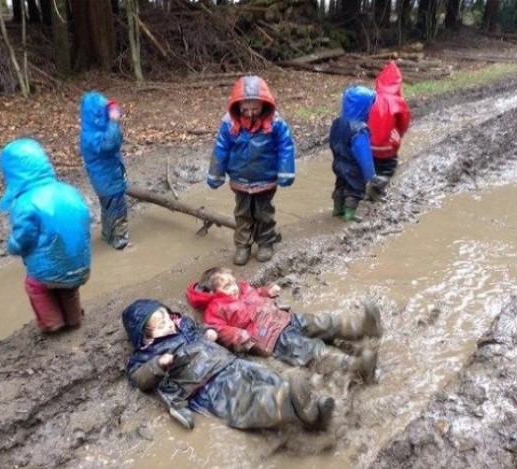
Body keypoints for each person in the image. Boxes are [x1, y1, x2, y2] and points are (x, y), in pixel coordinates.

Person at [122, 299, 335, 432]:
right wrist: (158, 364)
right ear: (145, 338)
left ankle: (309, 410)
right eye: (161, 325)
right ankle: (289, 405)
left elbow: (200, 328)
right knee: (246, 401)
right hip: (206, 384)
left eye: (167, 317)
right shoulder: (147, 354)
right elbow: (139, 377)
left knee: (267, 377)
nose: (169, 323)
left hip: (230, 362)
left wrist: (207, 332)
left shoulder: (183, 325)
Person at [186, 267, 382, 382]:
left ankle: (361, 327)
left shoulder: (244, 289)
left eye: (233, 282)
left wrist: (267, 291)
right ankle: (354, 367)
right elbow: (219, 328)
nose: (234, 287)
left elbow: (256, 293)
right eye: (227, 286)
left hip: (284, 318)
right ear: (213, 292)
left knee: (321, 322)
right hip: (271, 337)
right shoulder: (216, 307)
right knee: (309, 350)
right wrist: (236, 336)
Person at [0, 138, 91, 333]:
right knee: (68, 289)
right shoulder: (69, 191)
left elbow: (24, 237)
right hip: (80, 265)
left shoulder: (25, 202)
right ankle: (73, 319)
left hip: (48, 270)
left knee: (36, 287)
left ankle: (52, 323)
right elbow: (86, 219)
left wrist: (13, 246)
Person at [207, 75, 296, 266]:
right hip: (240, 178)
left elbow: (285, 146)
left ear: (265, 104)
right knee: (242, 214)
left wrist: (286, 172)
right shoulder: (229, 124)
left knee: (264, 213)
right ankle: (243, 245)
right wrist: (216, 173)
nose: (250, 113)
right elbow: (221, 148)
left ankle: (265, 242)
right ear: (237, 106)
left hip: (266, 178)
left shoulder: (275, 123)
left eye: (255, 108)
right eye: (245, 108)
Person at [79, 91, 129, 250]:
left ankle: (107, 235)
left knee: (108, 209)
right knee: (118, 212)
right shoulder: (91, 136)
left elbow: (117, 139)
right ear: (96, 116)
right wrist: (114, 122)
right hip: (108, 181)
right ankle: (120, 242)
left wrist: (113, 118)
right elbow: (111, 144)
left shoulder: (94, 130)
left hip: (106, 179)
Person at [329, 85, 380, 222]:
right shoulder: (359, 130)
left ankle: (337, 209)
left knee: (340, 185)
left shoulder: (337, 122)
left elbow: (332, 142)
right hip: (353, 167)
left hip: (338, 162)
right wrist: (371, 174)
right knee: (354, 189)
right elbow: (364, 155)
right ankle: (349, 214)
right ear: (364, 108)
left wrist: (338, 157)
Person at [366, 61, 411, 201]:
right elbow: (404, 122)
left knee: (373, 164)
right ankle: (377, 188)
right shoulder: (398, 101)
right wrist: (398, 135)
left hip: (368, 143)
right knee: (389, 166)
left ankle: (368, 182)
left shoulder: (371, 97)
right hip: (387, 146)